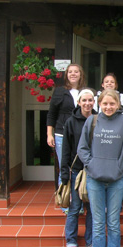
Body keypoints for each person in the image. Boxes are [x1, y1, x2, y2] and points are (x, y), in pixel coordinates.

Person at [77, 89, 123, 247]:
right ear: (98, 104)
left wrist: (119, 169)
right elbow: (82, 148)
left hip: (116, 180)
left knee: (114, 224)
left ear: (118, 104)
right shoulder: (91, 121)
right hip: (95, 179)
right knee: (99, 224)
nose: (108, 107)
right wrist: (91, 165)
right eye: (105, 104)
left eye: (112, 104)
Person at [61, 89, 96, 247]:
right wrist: (64, 173)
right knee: (75, 208)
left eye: (90, 100)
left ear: (94, 102)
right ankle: (71, 240)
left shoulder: (99, 120)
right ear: (79, 102)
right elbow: (65, 149)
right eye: (85, 100)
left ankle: (90, 240)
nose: (88, 103)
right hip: (77, 171)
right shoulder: (70, 122)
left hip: (94, 171)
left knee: (92, 208)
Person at [47, 63, 86, 213]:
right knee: (65, 166)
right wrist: (49, 134)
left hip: (80, 135)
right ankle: (64, 202)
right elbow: (51, 114)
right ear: (67, 75)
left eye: (76, 71)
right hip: (61, 134)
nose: (73, 74)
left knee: (79, 168)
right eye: (70, 72)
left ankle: (80, 203)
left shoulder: (86, 92)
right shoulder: (59, 92)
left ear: (81, 74)